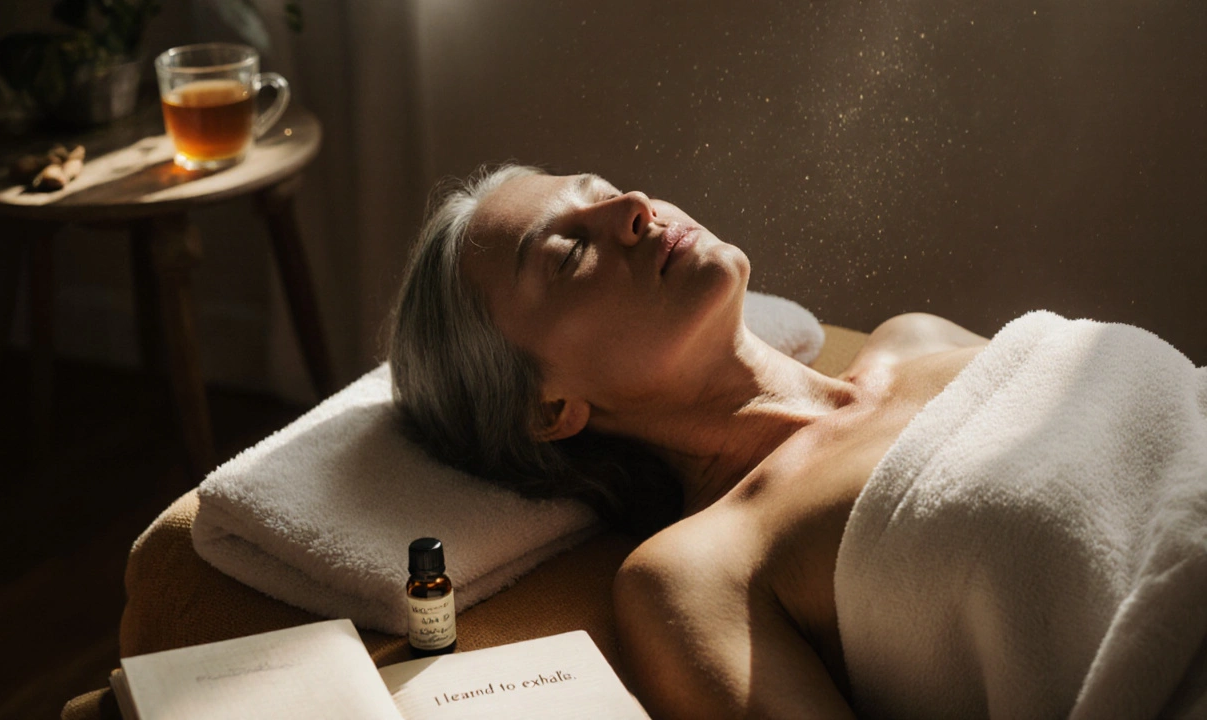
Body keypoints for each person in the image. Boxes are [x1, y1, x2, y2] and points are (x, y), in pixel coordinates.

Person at [387, 164, 992, 718]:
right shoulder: (698, 575)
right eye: (569, 252)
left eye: (604, 191)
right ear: (546, 410)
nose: (634, 205)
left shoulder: (920, 336)